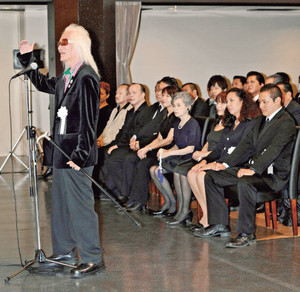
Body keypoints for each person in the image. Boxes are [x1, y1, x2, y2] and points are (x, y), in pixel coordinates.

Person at [18, 24, 105, 277]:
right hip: (60, 153)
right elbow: (43, 83)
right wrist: (27, 59)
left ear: (78, 45)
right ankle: (64, 252)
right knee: (61, 207)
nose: (59, 48)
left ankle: (92, 258)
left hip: (76, 156)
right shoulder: (68, 76)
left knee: (80, 207)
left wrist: (79, 156)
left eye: (64, 43)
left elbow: (89, 122)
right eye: (59, 42)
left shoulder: (87, 76)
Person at [196, 84, 296, 248]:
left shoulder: (286, 122)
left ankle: (246, 234)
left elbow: (273, 150)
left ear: (278, 100)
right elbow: (245, 146)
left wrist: (253, 169)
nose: (261, 106)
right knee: (212, 176)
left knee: (245, 182)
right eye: (260, 102)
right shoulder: (260, 120)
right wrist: (224, 164)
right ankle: (220, 224)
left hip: (272, 175)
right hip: (257, 170)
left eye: (265, 102)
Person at [188, 88, 261, 230]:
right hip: (226, 163)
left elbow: (244, 152)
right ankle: (207, 216)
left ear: (242, 102)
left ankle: (216, 221)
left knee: (203, 175)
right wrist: (204, 161)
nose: (228, 104)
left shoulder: (250, 124)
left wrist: (219, 164)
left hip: (241, 166)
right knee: (193, 172)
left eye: (231, 100)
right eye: (227, 101)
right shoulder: (231, 123)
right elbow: (219, 149)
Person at [125, 85, 180, 211]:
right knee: (143, 162)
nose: (163, 98)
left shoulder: (175, 116)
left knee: (147, 165)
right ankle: (166, 199)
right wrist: (145, 148)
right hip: (160, 152)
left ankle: (143, 201)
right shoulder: (165, 114)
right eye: (163, 95)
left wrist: (148, 149)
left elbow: (169, 140)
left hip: (170, 153)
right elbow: (159, 138)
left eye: (167, 96)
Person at [150, 91, 201, 225]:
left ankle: (184, 210)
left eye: (179, 105)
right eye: (175, 105)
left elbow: (190, 148)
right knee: (155, 170)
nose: (175, 109)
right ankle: (170, 201)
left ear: (188, 107)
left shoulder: (193, 124)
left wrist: (169, 153)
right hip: (179, 157)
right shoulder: (177, 123)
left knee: (179, 172)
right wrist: (166, 151)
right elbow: (178, 145)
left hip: (189, 159)